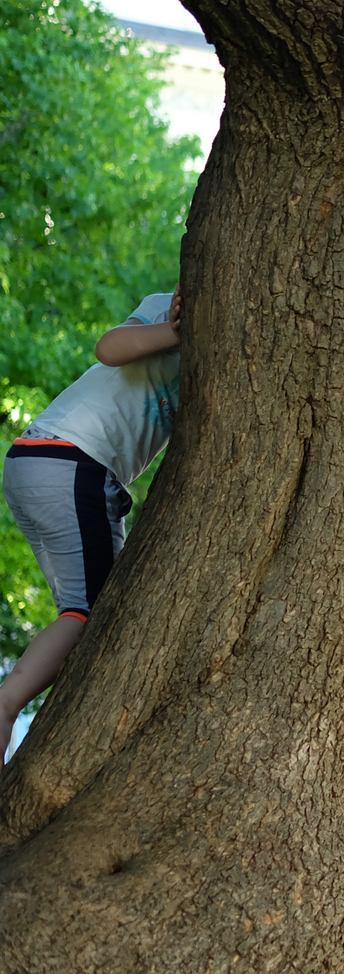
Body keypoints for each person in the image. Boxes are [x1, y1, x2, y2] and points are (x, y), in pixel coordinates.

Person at [1, 289, 181, 762]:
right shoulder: (170, 305)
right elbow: (110, 348)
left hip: (49, 462)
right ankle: (6, 705)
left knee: (87, 605)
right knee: (92, 612)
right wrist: (172, 331)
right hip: (71, 457)